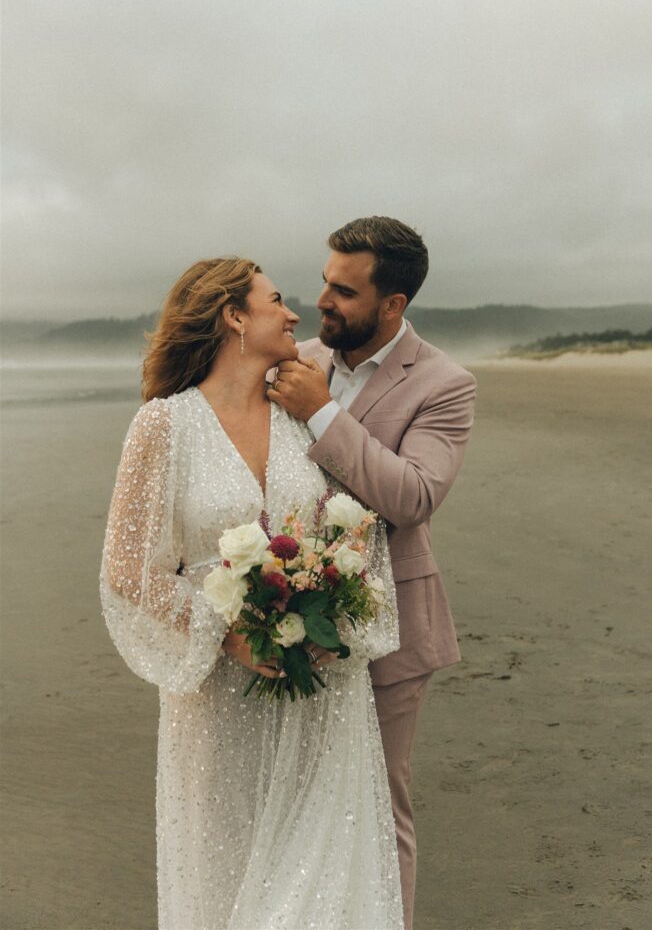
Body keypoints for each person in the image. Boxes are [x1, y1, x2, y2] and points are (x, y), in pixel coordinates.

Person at [99, 257, 404, 930]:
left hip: (322, 687)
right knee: (227, 868)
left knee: (319, 869)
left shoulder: (300, 416)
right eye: (275, 301)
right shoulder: (163, 424)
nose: (295, 314)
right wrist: (227, 631)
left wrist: (333, 608)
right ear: (234, 316)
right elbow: (128, 569)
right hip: (216, 694)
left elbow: (353, 534)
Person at [268, 216, 477, 930]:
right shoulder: (296, 357)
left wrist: (322, 415)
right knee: (296, 795)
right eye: (325, 282)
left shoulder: (445, 384)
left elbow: (414, 497)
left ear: (393, 304)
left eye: (344, 292)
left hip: (390, 624)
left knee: (378, 803)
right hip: (290, 618)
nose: (323, 300)